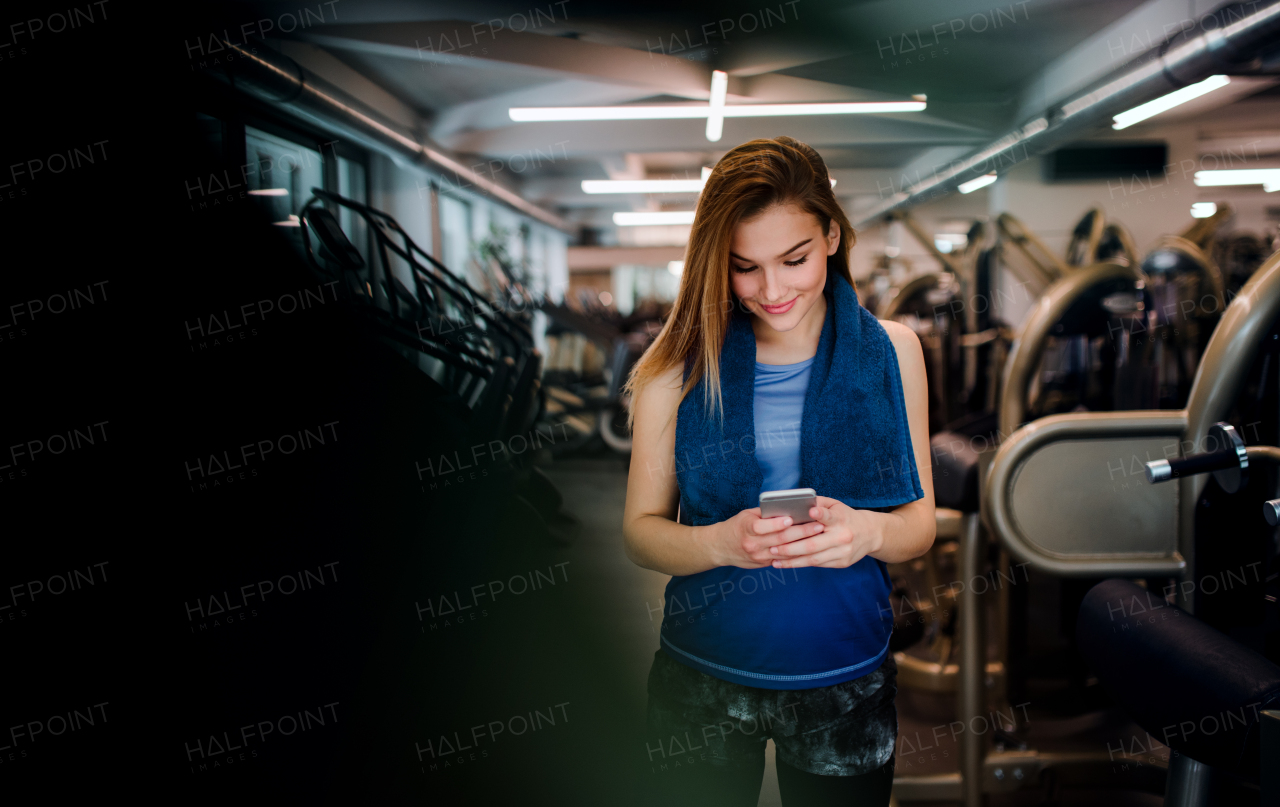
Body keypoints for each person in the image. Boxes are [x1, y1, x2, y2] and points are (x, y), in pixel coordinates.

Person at [622, 136, 936, 807]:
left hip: (846, 677)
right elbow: (640, 533)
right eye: (744, 267)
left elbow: (919, 527)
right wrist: (718, 542)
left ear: (830, 234)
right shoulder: (677, 370)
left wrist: (867, 534)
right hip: (703, 675)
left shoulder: (894, 353)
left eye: (793, 259)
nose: (772, 290)